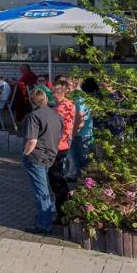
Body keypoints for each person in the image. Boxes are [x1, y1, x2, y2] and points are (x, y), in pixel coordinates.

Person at [21, 88, 63, 234]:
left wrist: (25, 154)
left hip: (37, 156)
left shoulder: (34, 115)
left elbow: (32, 140)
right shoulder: (56, 115)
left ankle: (44, 224)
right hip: (50, 155)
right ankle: (45, 217)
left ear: (31, 101)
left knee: (41, 191)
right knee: (44, 188)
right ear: (45, 99)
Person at [49, 81, 75, 219]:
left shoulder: (60, 109)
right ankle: (65, 206)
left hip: (57, 145)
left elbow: (54, 129)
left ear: (61, 92)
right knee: (60, 176)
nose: (52, 96)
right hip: (66, 143)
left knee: (56, 178)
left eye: (54, 93)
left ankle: (61, 212)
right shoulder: (70, 104)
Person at [67, 77, 97, 180]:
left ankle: (85, 186)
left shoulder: (79, 97)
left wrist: (73, 133)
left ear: (74, 84)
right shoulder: (78, 96)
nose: (66, 88)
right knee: (80, 162)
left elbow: (80, 116)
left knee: (81, 163)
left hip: (81, 135)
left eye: (67, 85)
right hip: (81, 134)